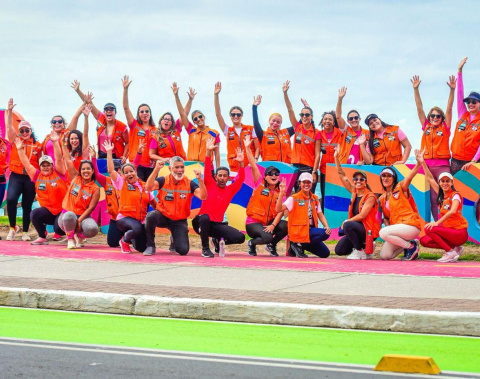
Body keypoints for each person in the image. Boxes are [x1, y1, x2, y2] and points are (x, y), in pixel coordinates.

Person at [411, 75, 456, 220]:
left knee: (445, 195)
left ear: (442, 118)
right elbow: (419, 107)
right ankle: (437, 224)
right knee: (431, 198)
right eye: (432, 116)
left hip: (443, 165)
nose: (435, 118)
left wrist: (452, 90)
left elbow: (449, 108)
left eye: (437, 116)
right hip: (427, 165)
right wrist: (416, 89)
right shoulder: (426, 127)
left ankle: (446, 223)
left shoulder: (446, 128)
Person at [192, 138, 246, 258]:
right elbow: (206, 169)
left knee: (240, 237)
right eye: (220, 175)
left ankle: (216, 242)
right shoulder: (209, 183)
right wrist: (208, 151)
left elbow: (241, 178)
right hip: (200, 222)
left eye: (225, 176)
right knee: (205, 217)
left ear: (228, 178)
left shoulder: (230, 190)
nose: (222, 178)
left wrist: (241, 163)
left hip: (216, 225)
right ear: (215, 177)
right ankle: (205, 249)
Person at [144, 157, 207, 256]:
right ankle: (150, 246)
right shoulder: (163, 180)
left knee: (183, 251)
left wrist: (200, 179)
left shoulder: (189, 183)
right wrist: (156, 169)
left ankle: (174, 238)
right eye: (176, 167)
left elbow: (203, 197)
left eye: (182, 167)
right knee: (151, 216)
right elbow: (148, 187)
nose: (180, 170)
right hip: (163, 216)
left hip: (179, 220)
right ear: (170, 169)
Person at [104, 141, 156, 253]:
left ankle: (133, 240)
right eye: (126, 172)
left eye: (131, 171)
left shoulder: (144, 186)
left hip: (140, 219)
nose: (129, 174)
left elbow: (153, 202)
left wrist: (162, 214)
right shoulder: (121, 183)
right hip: (124, 218)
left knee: (142, 248)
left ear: (136, 173)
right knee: (136, 228)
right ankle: (124, 241)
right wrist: (109, 152)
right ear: (123, 175)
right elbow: (111, 170)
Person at [15, 132, 67, 245]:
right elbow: (27, 164)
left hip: (61, 211)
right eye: (43, 165)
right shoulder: (37, 175)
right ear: (40, 166)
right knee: (34, 213)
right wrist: (19, 150)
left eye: (48, 164)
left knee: (58, 229)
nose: (46, 167)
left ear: (52, 166)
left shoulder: (59, 173)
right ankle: (42, 236)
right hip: (48, 212)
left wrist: (54, 142)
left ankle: (71, 232)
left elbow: (58, 158)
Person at [244, 135, 288, 257]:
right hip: (253, 223)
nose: (274, 176)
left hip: (269, 222)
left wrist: (273, 225)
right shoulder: (259, 183)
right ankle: (252, 243)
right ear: (265, 176)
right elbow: (253, 165)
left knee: (285, 225)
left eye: (276, 174)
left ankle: (271, 245)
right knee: (267, 236)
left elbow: (280, 211)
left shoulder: (281, 191)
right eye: (270, 174)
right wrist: (248, 148)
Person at [418, 156, 468, 263]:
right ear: (439, 183)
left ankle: (450, 252)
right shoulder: (441, 196)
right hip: (449, 232)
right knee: (424, 240)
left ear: (451, 183)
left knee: (429, 229)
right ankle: (455, 249)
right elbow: (430, 178)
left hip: (459, 233)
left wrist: (437, 223)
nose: (445, 183)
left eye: (447, 181)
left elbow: (453, 210)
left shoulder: (455, 195)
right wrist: (423, 163)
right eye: (442, 181)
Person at [5, 98, 42, 241]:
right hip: (16, 176)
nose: (24, 132)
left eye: (27, 130)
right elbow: (9, 128)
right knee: (11, 199)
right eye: (22, 130)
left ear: (31, 131)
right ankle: (13, 227)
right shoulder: (16, 141)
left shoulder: (38, 145)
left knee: (27, 204)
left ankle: (25, 231)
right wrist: (9, 112)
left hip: (30, 178)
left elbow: (42, 162)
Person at [333, 146, 379, 259]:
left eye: (361, 179)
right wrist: (336, 159)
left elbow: (363, 215)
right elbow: (342, 175)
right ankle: (365, 246)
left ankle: (360, 251)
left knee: (348, 225)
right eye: (356, 179)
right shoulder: (354, 192)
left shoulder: (370, 196)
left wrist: (347, 221)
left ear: (365, 181)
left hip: (368, 230)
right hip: (357, 228)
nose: (358, 181)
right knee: (339, 250)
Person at [378, 150, 423, 260]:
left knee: (383, 233)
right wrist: (390, 234)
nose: (386, 178)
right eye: (383, 176)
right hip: (398, 230)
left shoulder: (400, 187)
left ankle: (410, 246)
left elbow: (409, 177)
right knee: (385, 255)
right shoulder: (382, 198)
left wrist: (419, 164)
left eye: (389, 176)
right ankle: (411, 245)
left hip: (410, 225)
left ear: (394, 178)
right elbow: (386, 218)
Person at [276, 173, 332, 258]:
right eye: (304, 182)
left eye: (308, 182)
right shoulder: (294, 198)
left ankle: (298, 245)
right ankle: (298, 243)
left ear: (312, 183)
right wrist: (281, 193)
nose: (306, 184)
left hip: (309, 231)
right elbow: (278, 209)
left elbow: (320, 214)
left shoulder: (315, 198)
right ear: (299, 183)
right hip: (299, 232)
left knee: (325, 253)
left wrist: (326, 226)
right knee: (324, 234)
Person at [72, 80, 129, 162]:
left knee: (114, 175)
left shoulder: (122, 126)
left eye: (111, 109)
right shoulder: (101, 119)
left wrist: (124, 156)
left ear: (115, 112)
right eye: (106, 110)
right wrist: (78, 90)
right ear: (104, 112)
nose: (108, 111)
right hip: (101, 155)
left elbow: (128, 143)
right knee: (102, 175)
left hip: (116, 157)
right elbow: (89, 103)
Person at [283, 81, 321, 192]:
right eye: (302, 114)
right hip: (295, 168)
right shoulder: (297, 127)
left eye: (307, 115)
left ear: (311, 116)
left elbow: (318, 154)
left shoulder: (316, 132)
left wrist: (314, 172)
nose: (304, 116)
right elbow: (290, 109)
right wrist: (285, 93)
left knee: (308, 196)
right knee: (297, 197)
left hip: (308, 169)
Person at [59, 145, 100, 249]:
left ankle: (79, 236)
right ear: (80, 171)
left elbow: (91, 208)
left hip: (83, 217)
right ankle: (70, 239)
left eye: (88, 169)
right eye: (83, 169)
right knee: (69, 215)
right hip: (66, 217)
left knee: (93, 229)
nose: (86, 171)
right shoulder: (76, 178)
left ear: (92, 171)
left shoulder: (95, 188)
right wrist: (64, 145)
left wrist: (80, 220)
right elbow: (68, 160)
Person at [213, 82, 260, 171]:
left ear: (242, 116)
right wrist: (216, 95)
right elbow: (218, 114)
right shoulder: (227, 130)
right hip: (234, 168)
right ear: (230, 116)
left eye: (238, 114)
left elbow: (257, 147)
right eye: (233, 114)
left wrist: (256, 159)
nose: (236, 116)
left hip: (250, 166)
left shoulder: (250, 129)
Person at [173, 82, 221, 168]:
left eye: (200, 116)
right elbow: (182, 114)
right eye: (195, 119)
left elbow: (217, 154)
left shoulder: (214, 133)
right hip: (191, 166)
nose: (198, 119)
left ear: (204, 117)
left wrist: (218, 170)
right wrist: (176, 96)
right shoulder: (191, 130)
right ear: (194, 122)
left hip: (207, 167)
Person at [122, 75, 157, 181]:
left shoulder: (156, 130)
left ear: (150, 114)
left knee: (151, 192)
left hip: (151, 166)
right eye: (142, 111)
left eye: (147, 111)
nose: (145, 113)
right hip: (136, 164)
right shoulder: (134, 125)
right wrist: (125, 89)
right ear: (138, 114)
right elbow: (126, 107)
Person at [451, 57, 480, 175]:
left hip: (471, 162)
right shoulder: (462, 113)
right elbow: (460, 93)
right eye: (468, 102)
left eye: (474, 102)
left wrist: (474, 161)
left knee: (472, 193)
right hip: (455, 161)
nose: (471, 104)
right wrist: (459, 71)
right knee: (453, 191)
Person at [90, 145, 123, 248]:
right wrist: (94, 158)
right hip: (114, 218)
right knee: (112, 243)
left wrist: (139, 153)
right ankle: (122, 236)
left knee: (136, 243)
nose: (115, 171)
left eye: (117, 169)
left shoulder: (125, 181)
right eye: (113, 169)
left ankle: (129, 237)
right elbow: (95, 173)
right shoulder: (106, 181)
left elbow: (134, 165)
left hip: (127, 217)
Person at [252, 95, 292, 163]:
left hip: (286, 167)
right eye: (273, 121)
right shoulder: (263, 135)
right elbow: (256, 123)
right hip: (271, 169)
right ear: (269, 121)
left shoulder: (286, 132)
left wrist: (306, 111)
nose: (275, 123)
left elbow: (298, 125)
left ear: (280, 124)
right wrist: (254, 107)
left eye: (278, 122)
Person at [335, 87, 370, 164]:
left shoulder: (368, 133)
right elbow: (338, 116)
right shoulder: (346, 130)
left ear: (359, 119)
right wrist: (340, 99)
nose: (354, 120)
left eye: (356, 118)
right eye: (351, 119)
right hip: (345, 166)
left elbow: (371, 152)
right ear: (348, 121)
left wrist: (363, 162)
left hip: (360, 169)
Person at [318, 110, 342, 210]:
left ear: (333, 122)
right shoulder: (319, 134)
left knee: (338, 196)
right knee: (324, 196)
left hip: (337, 170)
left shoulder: (340, 133)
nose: (327, 121)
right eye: (325, 119)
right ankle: (325, 224)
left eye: (330, 119)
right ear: (322, 121)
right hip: (324, 170)